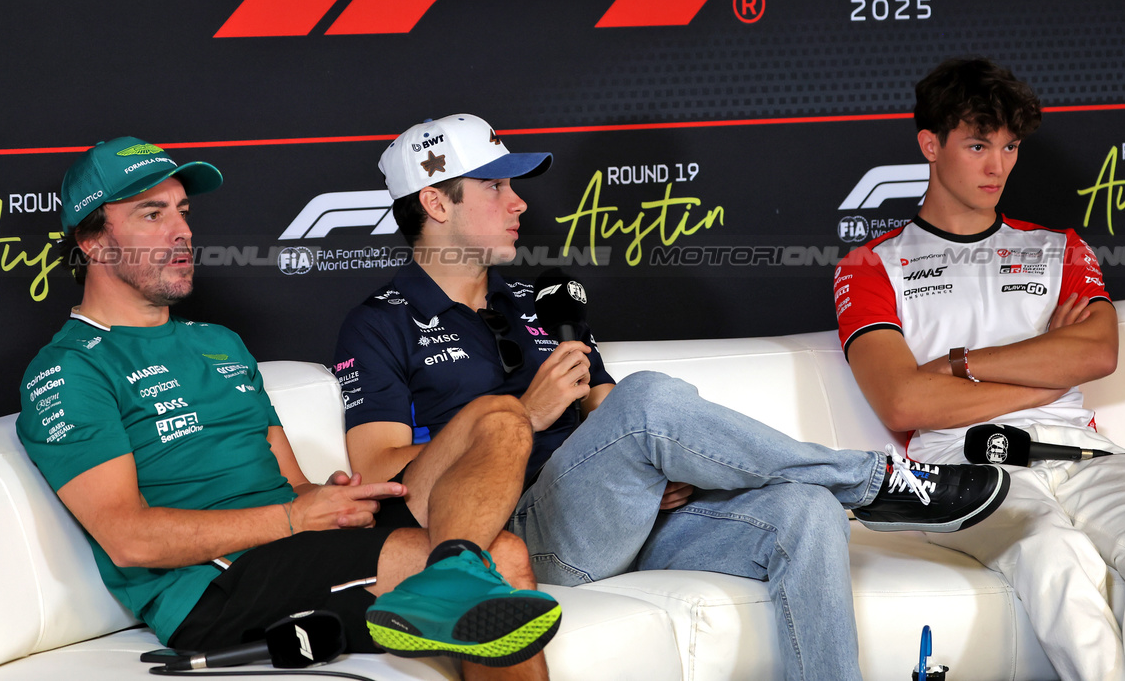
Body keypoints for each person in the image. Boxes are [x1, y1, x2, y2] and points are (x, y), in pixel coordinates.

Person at [333, 113, 1011, 681]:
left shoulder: (537, 300)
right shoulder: (381, 320)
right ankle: (873, 481)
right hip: (515, 535)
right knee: (651, 398)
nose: (518, 204)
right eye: (494, 187)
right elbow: (381, 474)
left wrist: (645, 466)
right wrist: (530, 414)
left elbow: (607, 408)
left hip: (619, 517)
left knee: (804, 512)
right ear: (433, 201)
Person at [17, 137, 561, 680]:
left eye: (182, 211)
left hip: (295, 542)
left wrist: (328, 501)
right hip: (214, 587)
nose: (181, 231)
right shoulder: (68, 370)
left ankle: (454, 568)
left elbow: (291, 484)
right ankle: (458, 574)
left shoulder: (220, 342)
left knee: (500, 414)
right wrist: (294, 517)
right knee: (505, 559)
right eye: (151, 214)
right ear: (91, 241)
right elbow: (129, 539)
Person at [836, 58, 1125, 681]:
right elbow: (904, 404)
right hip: (963, 466)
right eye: (978, 144)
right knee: (1052, 550)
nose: (998, 166)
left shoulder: (1059, 246)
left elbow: (1096, 354)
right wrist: (1045, 364)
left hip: (1082, 452)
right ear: (929, 145)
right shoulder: (869, 265)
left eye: (1010, 146)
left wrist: (959, 366)